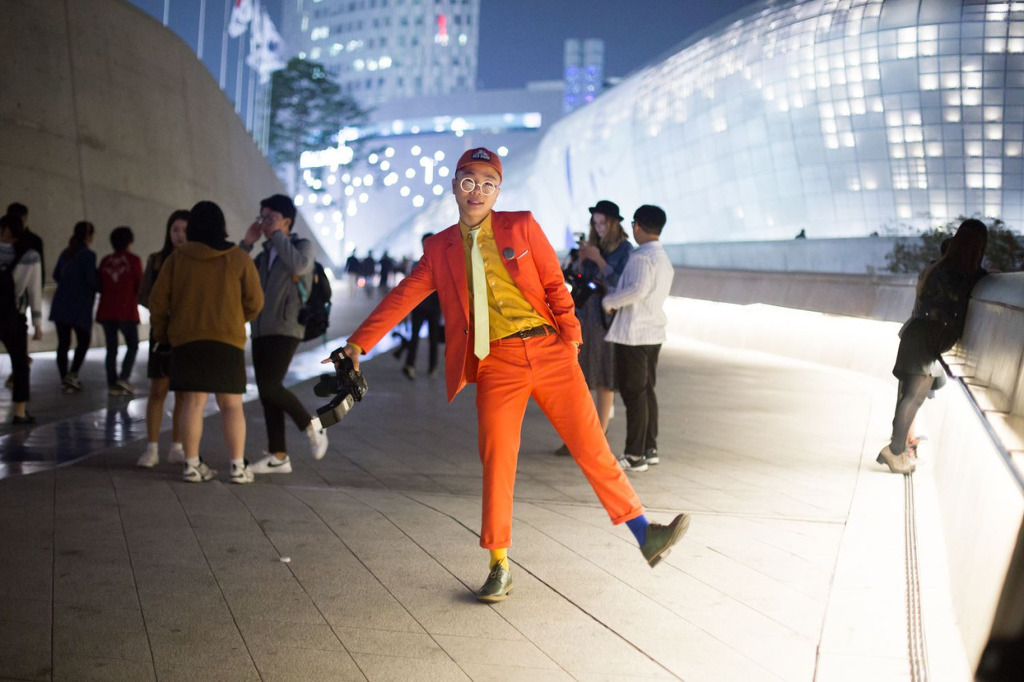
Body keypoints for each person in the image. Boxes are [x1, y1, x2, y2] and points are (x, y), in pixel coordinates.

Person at [325, 148, 690, 603]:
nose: (477, 191)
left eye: (487, 183)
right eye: (468, 181)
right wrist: (358, 343)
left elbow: (555, 285)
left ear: (498, 191)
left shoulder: (521, 226)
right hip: (497, 363)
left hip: (551, 351)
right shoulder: (439, 249)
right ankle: (499, 564)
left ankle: (644, 533)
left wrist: (571, 341)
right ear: (455, 185)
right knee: (498, 459)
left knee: (592, 446)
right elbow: (403, 296)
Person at [149, 200, 263, 484]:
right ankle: (238, 467)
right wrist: (235, 318)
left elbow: (157, 301)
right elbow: (255, 301)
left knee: (192, 403)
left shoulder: (177, 259)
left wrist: (164, 334)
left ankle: (191, 465)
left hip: (187, 341)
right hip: (227, 341)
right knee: (232, 405)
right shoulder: (238, 258)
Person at [878, 219, 988, 474]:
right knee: (913, 398)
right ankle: (894, 452)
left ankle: (898, 450)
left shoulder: (940, 267)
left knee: (912, 396)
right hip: (926, 338)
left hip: (920, 334)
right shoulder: (959, 273)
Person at [240, 194, 329, 475]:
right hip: (260, 329)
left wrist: (278, 235)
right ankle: (278, 455)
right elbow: (234, 272)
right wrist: (247, 242)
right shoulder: (262, 255)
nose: (264, 223)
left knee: (270, 386)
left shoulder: (301, 247)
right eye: (262, 217)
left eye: (271, 218)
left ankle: (313, 425)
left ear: (287, 221)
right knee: (267, 391)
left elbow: (300, 266)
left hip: (287, 327)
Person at [556, 200, 633, 455]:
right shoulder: (592, 245)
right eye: (596, 223)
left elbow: (619, 282)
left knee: (603, 376)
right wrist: (580, 261)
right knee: (580, 377)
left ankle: (598, 436)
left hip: (604, 319)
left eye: (603, 223)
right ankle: (577, 435)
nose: (599, 228)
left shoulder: (624, 249)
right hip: (583, 315)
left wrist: (599, 260)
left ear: (614, 223)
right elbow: (578, 279)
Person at [602, 205, 675, 473]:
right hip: (652, 333)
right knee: (646, 392)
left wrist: (610, 301)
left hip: (633, 334)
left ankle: (634, 454)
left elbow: (638, 289)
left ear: (638, 226)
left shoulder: (642, 257)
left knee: (634, 394)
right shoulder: (662, 258)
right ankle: (649, 448)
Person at [137, 210, 189, 468]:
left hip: (186, 333)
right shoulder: (157, 260)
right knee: (158, 389)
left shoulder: (195, 260)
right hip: (161, 332)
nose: (179, 235)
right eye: (174, 230)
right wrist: (162, 309)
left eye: (184, 230)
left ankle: (177, 447)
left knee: (183, 393)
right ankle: (152, 448)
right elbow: (144, 294)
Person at [0, 215, 43, 423]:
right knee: (20, 364)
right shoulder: (30, 255)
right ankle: (19, 411)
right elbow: (34, 291)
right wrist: (37, 323)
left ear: (5, 230)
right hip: (13, 316)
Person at [50, 221, 99, 393]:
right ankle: (73, 374)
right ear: (89, 236)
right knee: (83, 341)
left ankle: (64, 378)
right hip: (79, 305)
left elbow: (56, 275)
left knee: (63, 343)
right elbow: (91, 280)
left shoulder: (67, 252)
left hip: (61, 304)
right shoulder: (88, 255)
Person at [96, 226, 143, 396]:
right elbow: (139, 284)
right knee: (133, 345)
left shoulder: (105, 261)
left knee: (111, 348)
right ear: (130, 241)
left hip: (106, 311)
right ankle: (124, 378)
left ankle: (112, 383)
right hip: (126, 310)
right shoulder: (134, 260)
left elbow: (99, 284)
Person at [401, 233, 442, 380]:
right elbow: (409, 287)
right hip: (419, 307)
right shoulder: (416, 264)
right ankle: (410, 365)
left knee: (433, 339)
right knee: (414, 337)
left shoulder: (441, 263)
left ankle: (432, 367)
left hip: (434, 308)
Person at [5, 203, 44, 285]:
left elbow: (40, 272)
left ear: (24, 218)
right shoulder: (5, 238)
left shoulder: (34, 240)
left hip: (25, 286)